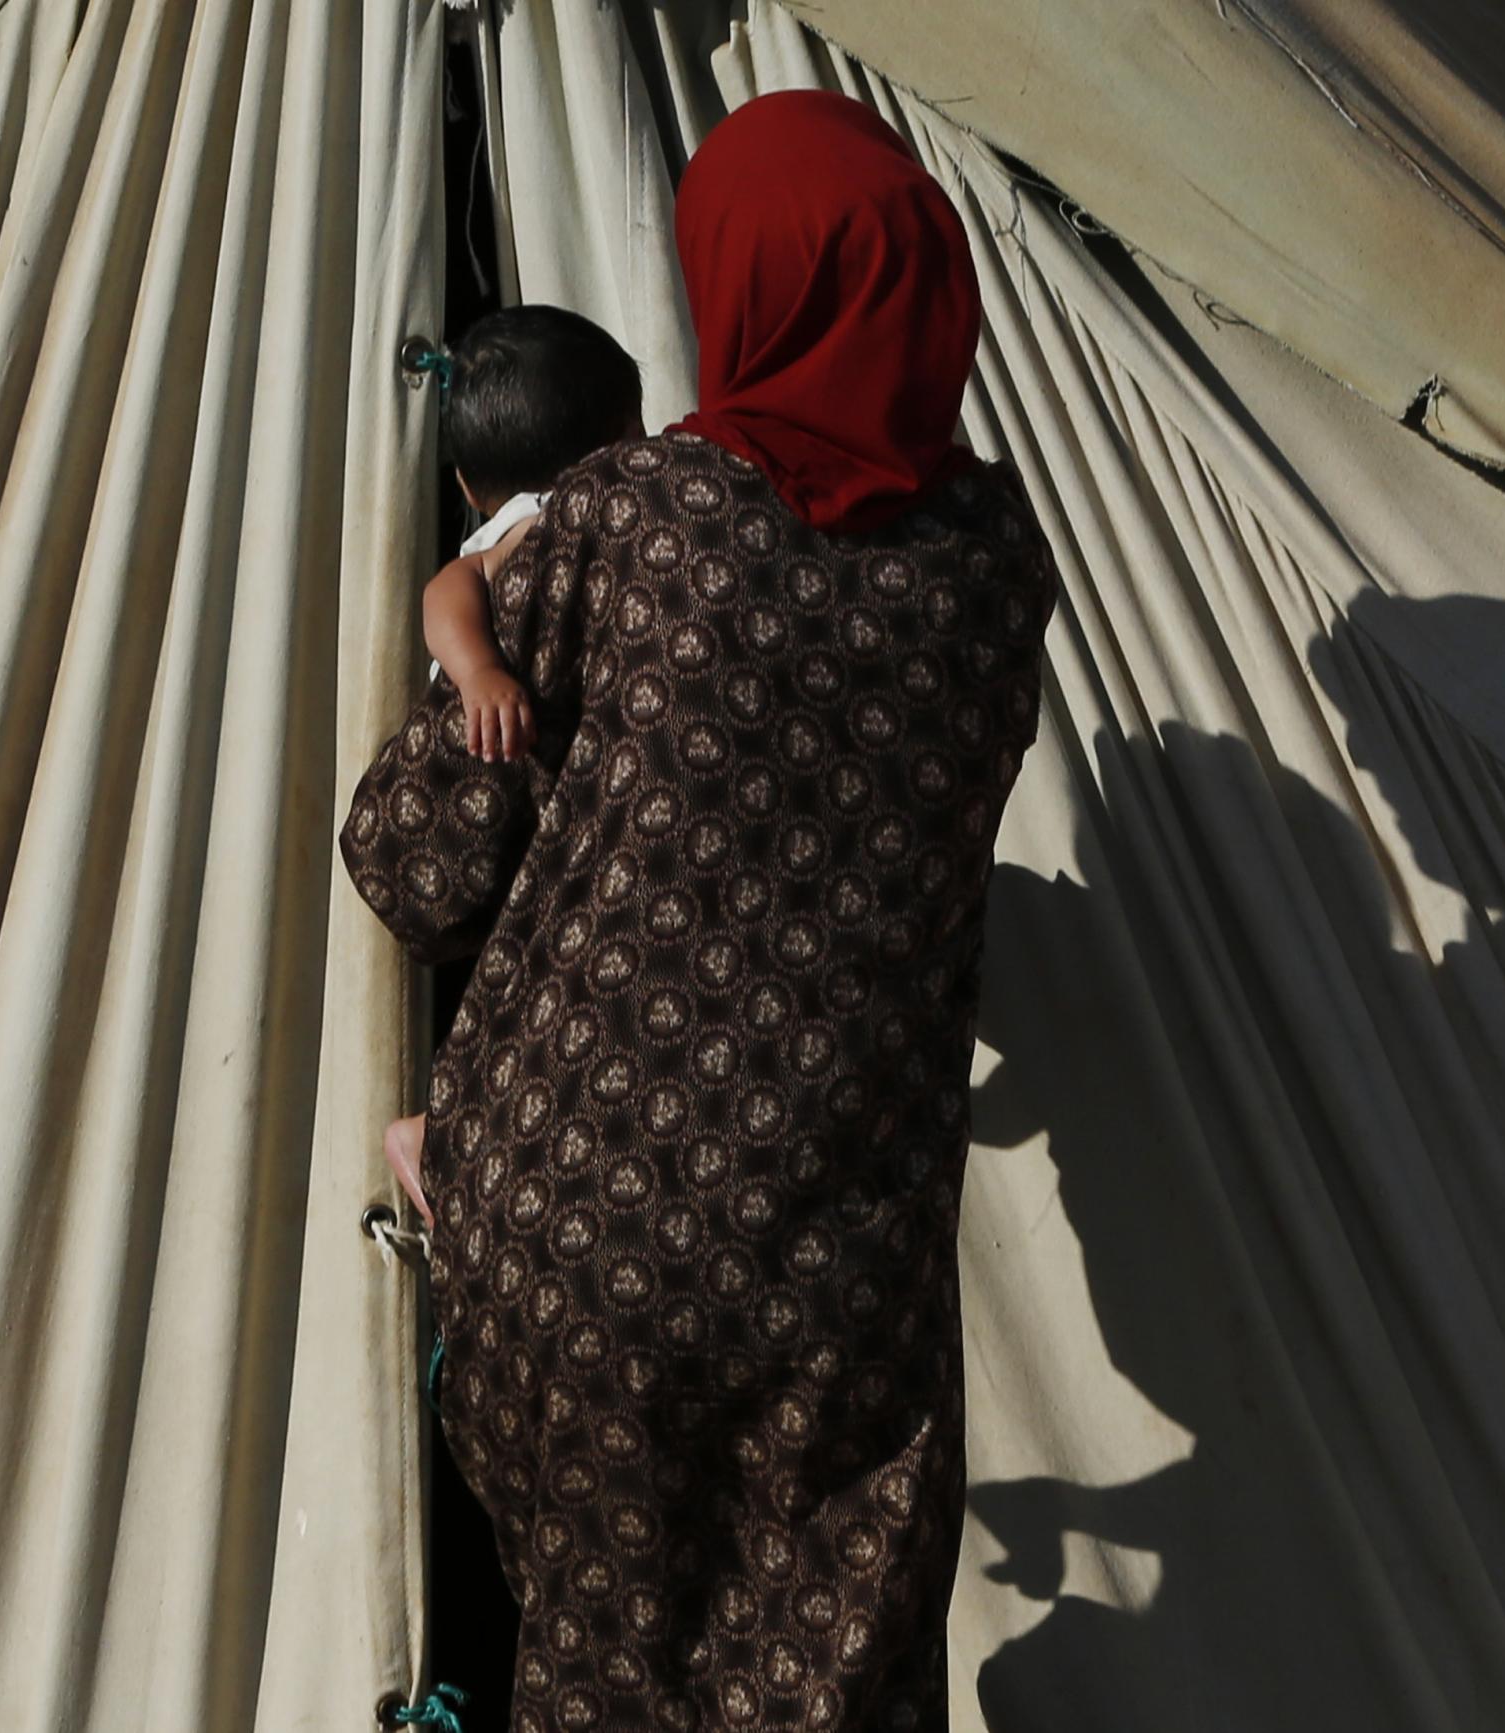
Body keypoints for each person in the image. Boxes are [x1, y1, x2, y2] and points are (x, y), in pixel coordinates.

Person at [340, 88, 1057, 1733]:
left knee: (603, 1668)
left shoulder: (627, 520)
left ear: (735, 285)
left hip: (584, 1219)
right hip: (843, 1246)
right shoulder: (993, 563)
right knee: (826, 1677)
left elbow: (419, 868)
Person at [381, 304, 646, 1226]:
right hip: (496, 786)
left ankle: (441, 1131)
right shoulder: (544, 521)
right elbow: (451, 586)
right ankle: (430, 1134)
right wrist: (479, 669)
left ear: (462, 477)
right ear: (621, 436)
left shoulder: (552, 513)